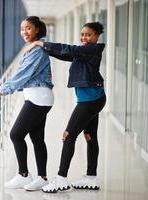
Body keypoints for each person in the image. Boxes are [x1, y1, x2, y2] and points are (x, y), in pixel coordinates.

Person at [25, 22, 106, 193]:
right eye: (82, 34)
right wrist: (46, 50)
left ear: (97, 36)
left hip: (90, 101)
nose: (84, 37)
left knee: (68, 136)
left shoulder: (91, 49)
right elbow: (66, 54)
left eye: (88, 35)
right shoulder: (85, 52)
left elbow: (70, 50)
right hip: (94, 98)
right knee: (90, 136)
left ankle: (61, 178)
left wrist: (41, 43)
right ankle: (91, 177)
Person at [0, 16, 54, 191]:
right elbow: (22, 75)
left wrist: (3, 90)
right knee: (37, 138)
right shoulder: (33, 49)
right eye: (22, 28)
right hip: (38, 97)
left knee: (16, 134)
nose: (24, 32)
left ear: (37, 29)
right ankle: (42, 178)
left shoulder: (37, 51)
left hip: (38, 98)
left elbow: (23, 74)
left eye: (28, 28)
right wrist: (1, 86)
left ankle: (23, 174)